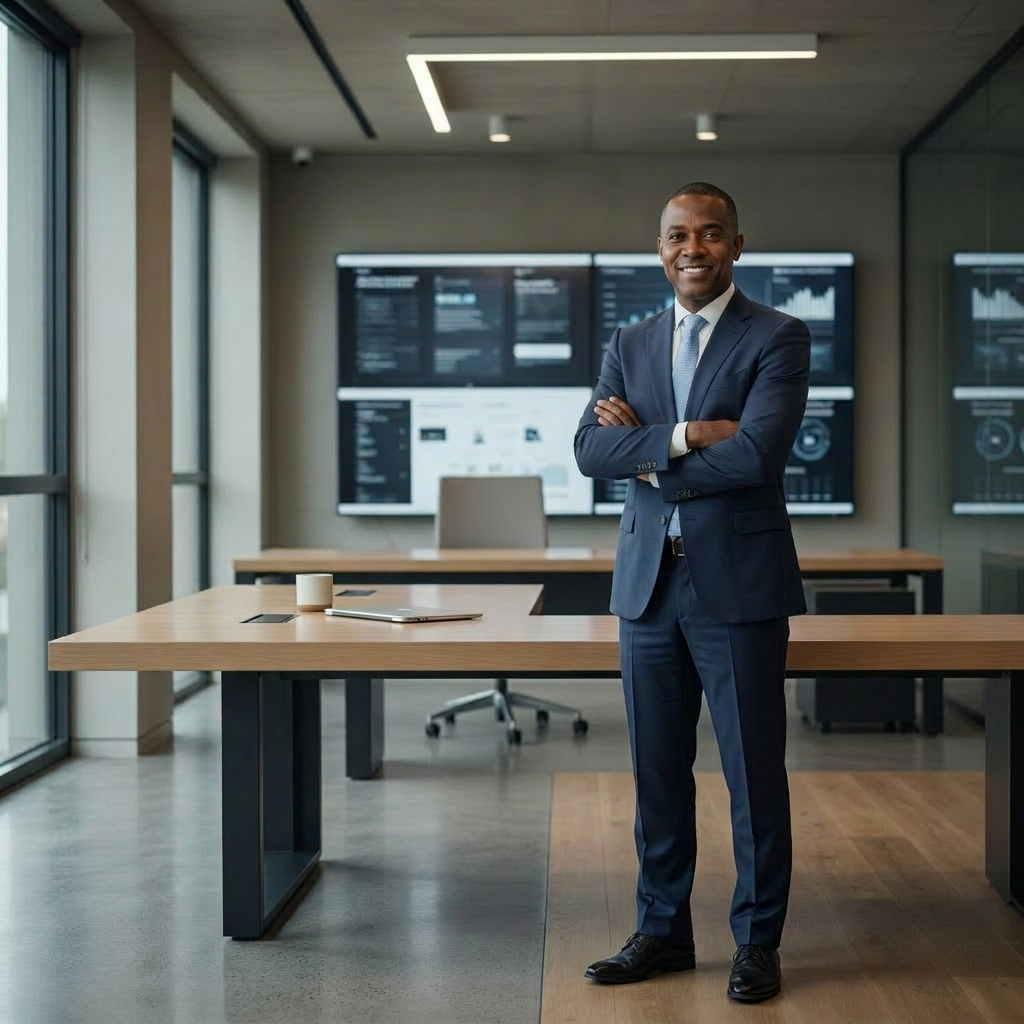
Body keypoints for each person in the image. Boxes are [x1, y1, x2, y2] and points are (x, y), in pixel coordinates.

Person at [574, 182, 810, 1003]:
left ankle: (757, 941)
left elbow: (756, 458)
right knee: (657, 774)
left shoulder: (778, 336)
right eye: (679, 235)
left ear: (737, 245)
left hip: (738, 589)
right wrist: (680, 436)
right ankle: (663, 931)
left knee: (753, 773)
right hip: (648, 588)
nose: (694, 249)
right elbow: (586, 454)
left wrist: (641, 451)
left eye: (711, 234)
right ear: (661, 246)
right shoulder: (631, 340)